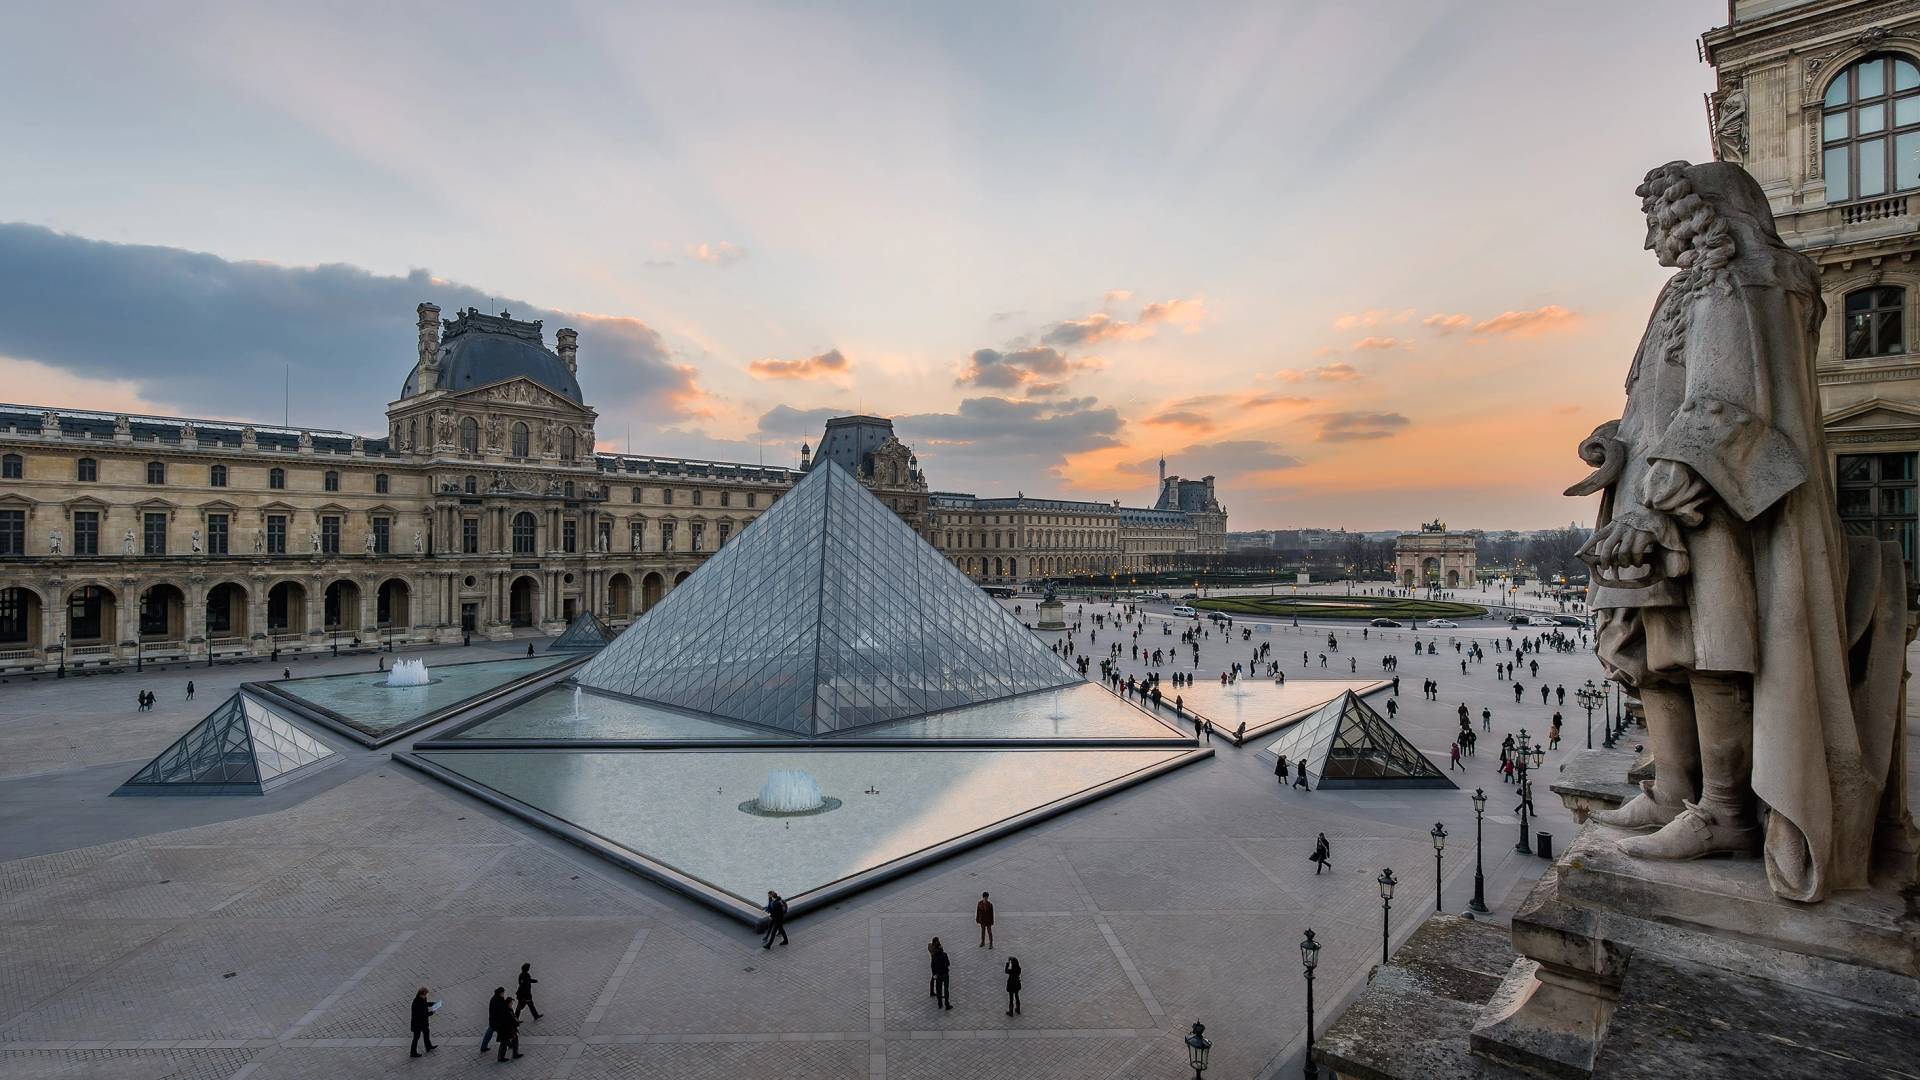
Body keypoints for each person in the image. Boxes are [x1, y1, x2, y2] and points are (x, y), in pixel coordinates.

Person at [409, 987, 437, 1057]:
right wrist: (431, 1013)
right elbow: (422, 1014)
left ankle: (428, 1046)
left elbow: (425, 1004)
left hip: (423, 1022)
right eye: (425, 994)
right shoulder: (416, 1002)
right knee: (416, 1038)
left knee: (426, 1033)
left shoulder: (423, 998)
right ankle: (413, 1052)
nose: (426, 995)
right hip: (417, 1024)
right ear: (421, 994)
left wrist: (433, 1003)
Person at [480, 986, 506, 1054]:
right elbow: (500, 1010)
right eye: (503, 993)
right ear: (500, 993)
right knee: (503, 1034)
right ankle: (509, 1045)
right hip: (497, 1021)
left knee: (489, 1033)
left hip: (493, 1021)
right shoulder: (498, 1000)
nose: (504, 994)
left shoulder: (495, 998)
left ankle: (483, 1046)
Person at [495, 994, 521, 1061]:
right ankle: (501, 1057)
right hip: (505, 1030)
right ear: (508, 1003)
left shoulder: (509, 1009)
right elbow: (511, 1019)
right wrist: (516, 1023)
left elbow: (513, 1017)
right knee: (504, 1042)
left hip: (509, 1029)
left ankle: (515, 1054)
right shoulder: (506, 1011)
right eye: (511, 1003)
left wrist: (516, 1022)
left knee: (514, 1039)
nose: (512, 1004)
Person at [930, 937, 952, 1009]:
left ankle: (940, 1003)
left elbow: (932, 966)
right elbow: (948, 963)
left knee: (938, 989)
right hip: (945, 974)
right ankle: (947, 1004)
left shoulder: (934, 956)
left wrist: (934, 974)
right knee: (946, 989)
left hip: (938, 974)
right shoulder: (944, 954)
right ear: (940, 947)